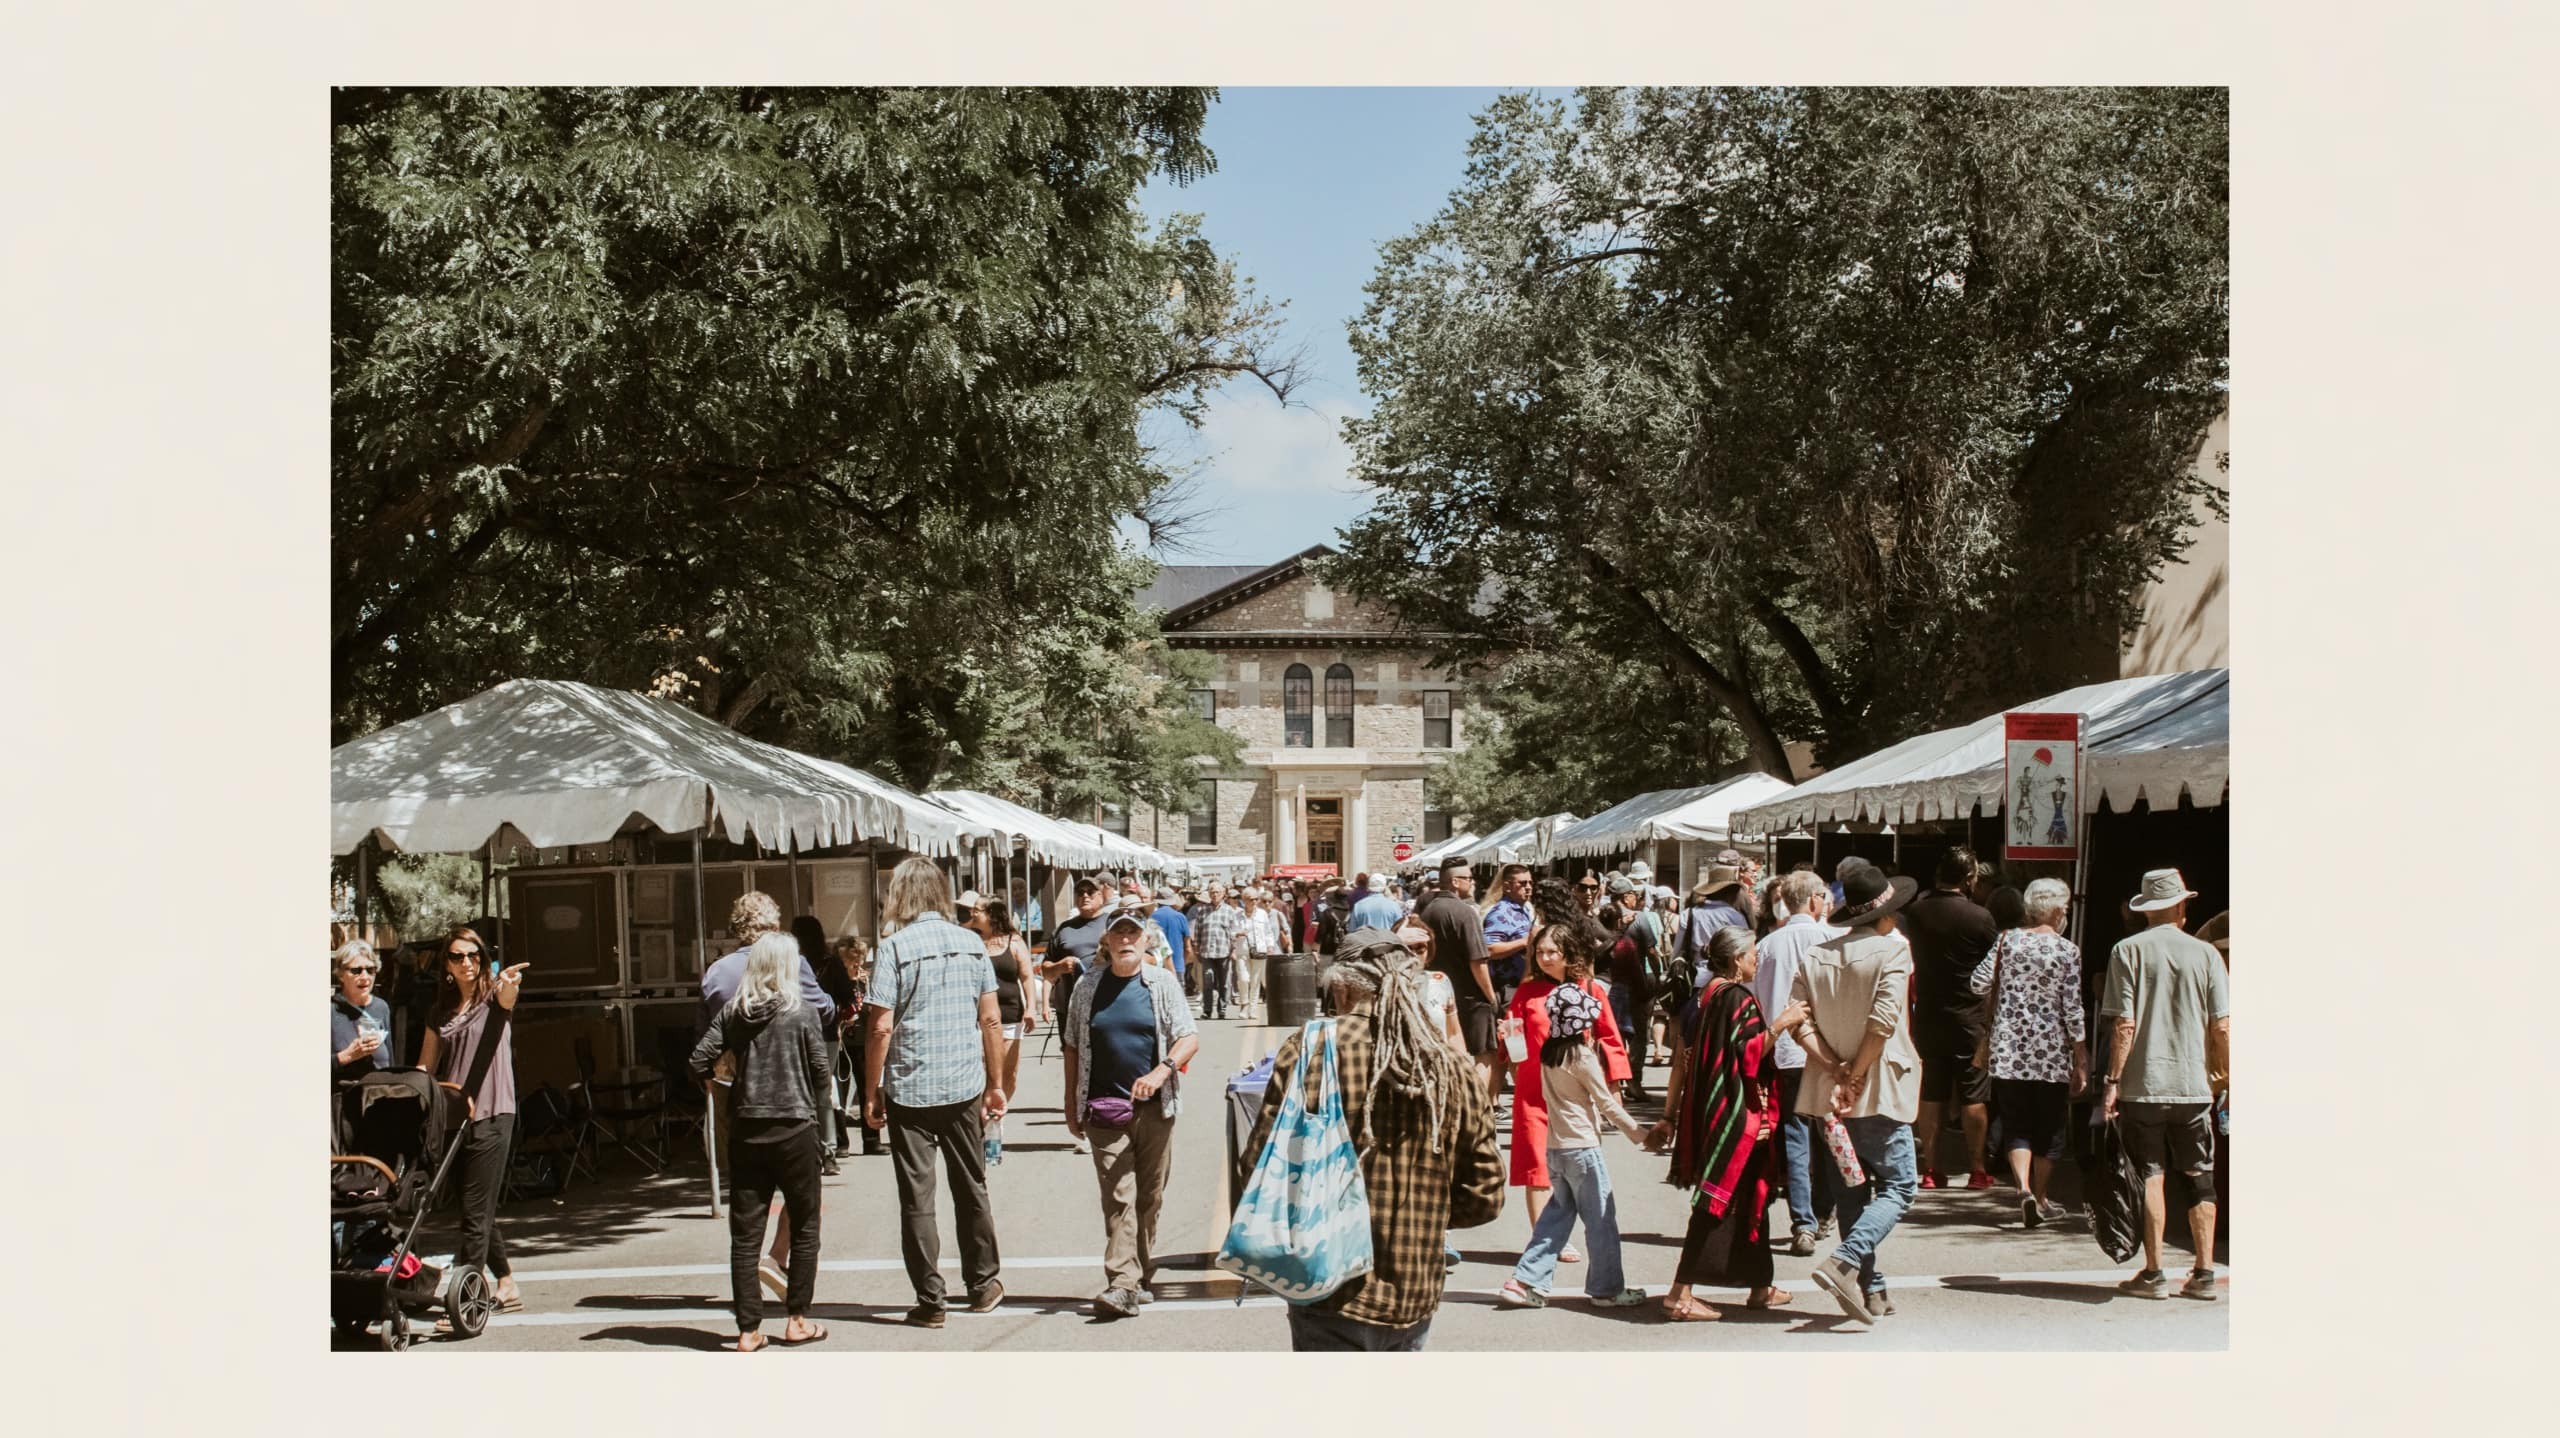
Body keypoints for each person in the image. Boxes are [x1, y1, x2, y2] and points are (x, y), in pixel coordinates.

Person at [1243, 929, 1504, 1350]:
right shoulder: (1453, 1067)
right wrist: (1425, 1212)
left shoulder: (1311, 1050)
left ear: (1342, 985)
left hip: (1326, 1282)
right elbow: (1485, 1196)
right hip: (1413, 1288)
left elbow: (1259, 1163)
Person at [863, 858, 1008, 1327]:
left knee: (917, 1198)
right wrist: (996, 1083)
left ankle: (931, 1299)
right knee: (971, 1186)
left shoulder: (894, 948)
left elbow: (880, 1027)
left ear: (901, 896)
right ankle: (983, 1284)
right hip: (964, 1084)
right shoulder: (971, 944)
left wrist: (872, 1090)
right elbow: (991, 1020)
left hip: (911, 1087)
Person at [1648, 927, 1809, 1319]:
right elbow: (1750, 1053)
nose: (1757, 959)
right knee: (1714, 1201)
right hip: (1737, 1115)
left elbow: (1690, 1057)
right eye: (1753, 953)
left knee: (1755, 1193)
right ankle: (1679, 1293)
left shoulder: (1709, 994)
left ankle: (1760, 1286)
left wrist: (1671, 1113)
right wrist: (1783, 1022)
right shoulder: (1738, 998)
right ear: (1737, 959)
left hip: (1716, 1108)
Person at [1789, 865, 1923, 1324]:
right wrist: (1857, 1073)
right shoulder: (1892, 953)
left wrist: (1832, 1067)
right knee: (1899, 1185)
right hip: (1877, 1086)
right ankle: (1846, 1261)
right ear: (1886, 915)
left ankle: (1871, 1287)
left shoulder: (1816, 956)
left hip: (1829, 1090)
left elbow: (1797, 1020)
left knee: (1851, 1189)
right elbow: (1883, 1023)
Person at [688, 931, 833, 1351]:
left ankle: (748, 1330)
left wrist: (730, 1081)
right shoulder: (801, 1012)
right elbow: (822, 1075)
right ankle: (797, 1320)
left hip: (747, 1130)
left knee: (745, 1235)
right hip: (795, 1129)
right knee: (805, 1227)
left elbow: (699, 1059)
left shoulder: (734, 1013)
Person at [1061, 902, 1201, 1318]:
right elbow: (1072, 1045)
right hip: (1105, 1109)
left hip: (1157, 1109)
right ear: (1106, 940)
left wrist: (1161, 1072)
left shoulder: (1159, 983)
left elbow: (1188, 1036)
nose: (1125, 940)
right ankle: (1122, 1281)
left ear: (1144, 940)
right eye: (1118, 934)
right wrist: (1071, 1102)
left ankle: (1140, 1272)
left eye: (1132, 934)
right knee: (1119, 1197)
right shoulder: (1089, 986)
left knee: (1149, 1197)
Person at [2098, 869, 2230, 1302]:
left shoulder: (2126, 951)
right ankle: (2204, 1273)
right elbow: (2222, 1027)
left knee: (2151, 1175)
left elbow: (2124, 1024)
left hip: (2144, 1086)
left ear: (2147, 909)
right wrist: (2227, 1076)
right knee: (2200, 1178)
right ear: (2180, 906)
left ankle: (2154, 1274)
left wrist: (2112, 1081)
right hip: (2193, 1086)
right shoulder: (2208, 954)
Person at [1497, 975, 1651, 1309]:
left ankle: (1525, 1280)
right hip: (1582, 1147)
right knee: (1601, 1219)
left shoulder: (1550, 1053)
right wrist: (1640, 1134)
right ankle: (1607, 1288)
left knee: (1556, 1216)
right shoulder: (1581, 1056)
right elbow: (1606, 1103)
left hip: (1556, 1148)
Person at [414, 926, 529, 1328]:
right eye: (458, 957)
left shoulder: (493, 998)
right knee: (474, 1207)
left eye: (474, 955)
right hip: (454, 1115)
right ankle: (508, 1284)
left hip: (495, 1111)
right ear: (445, 964)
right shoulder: (439, 1012)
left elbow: (508, 998)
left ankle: (465, 1298)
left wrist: (510, 984)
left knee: (475, 1212)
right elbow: (425, 1067)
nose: (467, 963)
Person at [1499, 923, 1630, 1254]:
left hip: (1574, 1093)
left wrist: (1614, 1085)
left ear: (1568, 954)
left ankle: (1587, 1232)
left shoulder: (1589, 990)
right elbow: (1512, 1041)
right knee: (1535, 1167)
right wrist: (1510, 1050)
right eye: (1539, 952)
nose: (1544, 958)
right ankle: (1545, 1241)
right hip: (1532, 1090)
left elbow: (1610, 1038)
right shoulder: (1526, 993)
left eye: (1551, 952)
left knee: (1579, 1167)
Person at [1969, 877, 2087, 1226]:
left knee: (2017, 1123)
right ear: (2052, 910)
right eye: (2063, 907)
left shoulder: (2007, 941)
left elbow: (1977, 982)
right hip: (2050, 1053)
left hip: (2009, 1051)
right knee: (2050, 1128)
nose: (2065, 913)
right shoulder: (2067, 951)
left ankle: (2022, 1190)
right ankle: (2042, 1196)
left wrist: (2005, 1000)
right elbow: (2072, 1007)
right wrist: (2080, 1054)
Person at [1752, 870, 1842, 1254]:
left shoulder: (1768, 945)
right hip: (1827, 1052)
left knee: (1795, 1135)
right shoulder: (1833, 940)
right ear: (1815, 900)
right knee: (1828, 1133)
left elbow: (1756, 1001)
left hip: (1785, 1051)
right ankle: (1822, 1213)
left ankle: (1803, 1221)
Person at [1903, 847, 2003, 1190]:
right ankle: (1976, 1168)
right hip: (1970, 1015)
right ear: (1969, 879)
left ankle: (1931, 1169)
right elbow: (1996, 964)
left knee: (1932, 1091)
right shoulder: (1980, 917)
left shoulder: (1915, 913)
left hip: (1928, 1012)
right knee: (1975, 1092)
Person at [1417, 855, 1498, 1101]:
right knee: (1484, 1055)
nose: (1472, 883)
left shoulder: (1426, 910)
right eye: (1468, 878)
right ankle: (1477, 1107)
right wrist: (1490, 996)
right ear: (1454, 882)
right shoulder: (1465, 913)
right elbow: (1478, 961)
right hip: (1470, 994)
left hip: (1437, 993)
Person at [963, 892, 1034, 1164]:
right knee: (982, 1071)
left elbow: (1027, 977)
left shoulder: (1013, 942)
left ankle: (996, 1117)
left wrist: (1031, 1008)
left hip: (1009, 1016)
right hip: (976, 1018)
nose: (973, 914)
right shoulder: (970, 939)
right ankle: (984, 1120)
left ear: (992, 914)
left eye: (978, 910)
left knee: (1007, 1075)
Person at [1600, 873, 1655, 1096]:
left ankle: (1614, 1079)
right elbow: (1651, 950)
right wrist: (1655, 978)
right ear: (1625, 897)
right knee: (1639, 1036)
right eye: (1633, 894)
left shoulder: (1601, 916)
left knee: (1613, 1036)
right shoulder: (1639, 919)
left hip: (1607, 985)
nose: (1636, 898)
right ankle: (1634, 1081)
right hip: (1632, 984)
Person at [830, 936, 885, 1157]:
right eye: (851, 959)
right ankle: (841, 1142)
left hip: (863, 1039)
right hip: (841, 1039)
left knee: (867, 1088)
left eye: (859, 959)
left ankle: (871, 1139)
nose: (856, 964)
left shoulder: (865, 979)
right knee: (839, 1093)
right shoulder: (834, 980)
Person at [331, 939, 394, 1082]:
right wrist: (348, 1055)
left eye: (370, 970)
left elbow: (390, 1059)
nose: (365, 977)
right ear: (340, 974)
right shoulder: (330, 1010)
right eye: (356, 970)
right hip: (344, 1098)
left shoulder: (381, 1007)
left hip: (379, 1095)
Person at [1193, 883, 1243, 1021]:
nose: (1215, 895)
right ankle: (1207, 1010)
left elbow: (1233, 931)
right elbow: (1197, 931)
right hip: (1207, 951)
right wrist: (1196, 949)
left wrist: (1233, 948)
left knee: (1225, 983)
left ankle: (1222, 1010)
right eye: (1212, 892)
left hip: (1224, 951)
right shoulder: (1202, 911)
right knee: (1208, 980)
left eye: (1217, 892)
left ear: (1223, 894)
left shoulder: (1229, 911)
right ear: (1209, 894)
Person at [1242, 886, 1287, 1016]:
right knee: (1251, 979)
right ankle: (1249, 1005)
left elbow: (1282, 931)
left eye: (1269, 901)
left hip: (1272, 951)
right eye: (1264, 901)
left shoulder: (1276, 914)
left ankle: (1268, 1004)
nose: (1267, 903)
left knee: (1264, 981)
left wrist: (1273, 947)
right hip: (1253, 951)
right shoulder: (1254, 914)